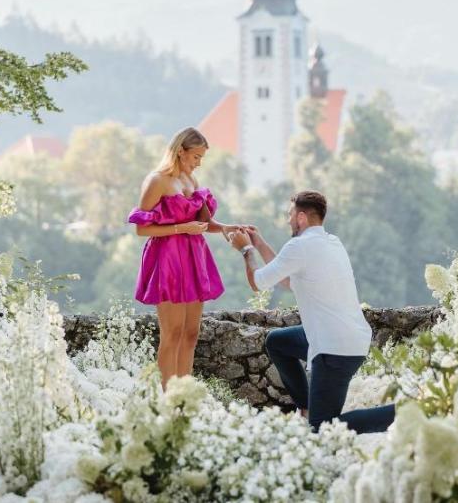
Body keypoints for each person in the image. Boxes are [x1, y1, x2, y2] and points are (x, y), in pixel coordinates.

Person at [227, 190, 395, 433]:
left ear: (302, 217)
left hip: (335, 348)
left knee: (323, 428)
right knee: (277, 342)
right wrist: (260, 244)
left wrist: (246, 250)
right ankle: (306, 406)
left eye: (290, 214)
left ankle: (404, 412)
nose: (287, 220)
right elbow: (287, 281)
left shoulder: (300, 246)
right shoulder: (331, 242)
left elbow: (258, 282)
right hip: (344, 337)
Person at [128, 127, 253, 389]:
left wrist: (227, 228)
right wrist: (180, 229)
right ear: (180, 152)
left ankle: (184, 395)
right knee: (171, 333)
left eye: (201, 158)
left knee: (191, 333)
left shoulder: (191, 182)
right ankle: (167, 397)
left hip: (194, 257)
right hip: (168, 258)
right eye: (196, 157)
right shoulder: (157, 181)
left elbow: (206, 223)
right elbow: (142, 228)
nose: (198, 163)